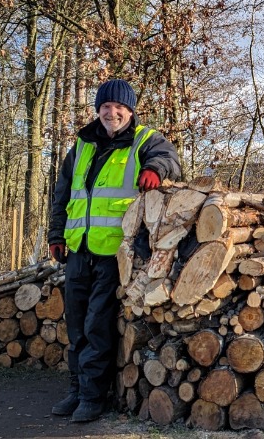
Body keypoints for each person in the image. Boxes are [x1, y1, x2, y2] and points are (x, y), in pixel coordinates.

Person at [47, 79, 182, 422]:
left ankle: (93, 397)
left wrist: (154, 169)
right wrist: (56, 234)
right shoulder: (82, 144)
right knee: (75, 324)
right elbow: (63, 192)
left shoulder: (143, 139)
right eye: (105, 107)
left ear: (130, 110)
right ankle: (76, 390)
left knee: (96, 325)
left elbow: (169, 158)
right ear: (98, 109)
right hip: (78, 248)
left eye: (119, 107)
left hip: (114, 254)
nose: (112, 113)